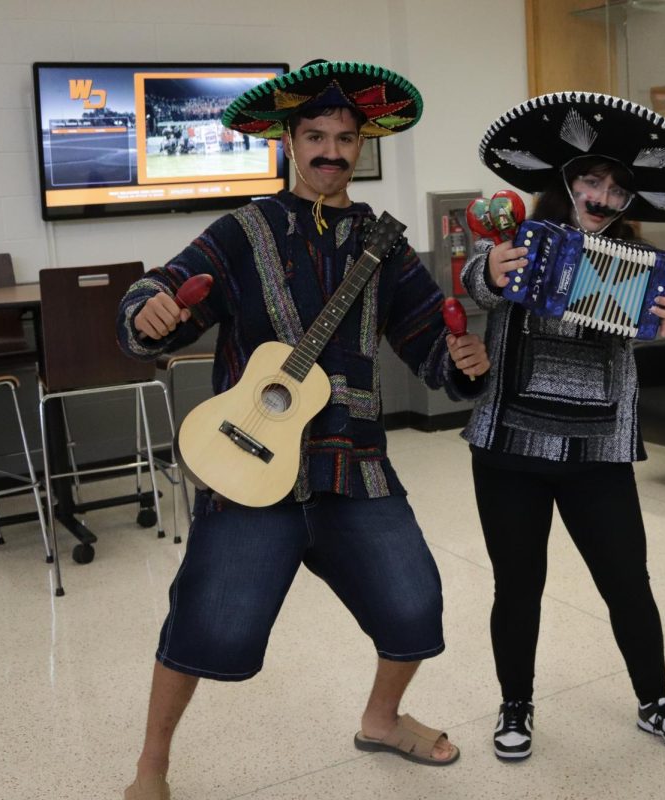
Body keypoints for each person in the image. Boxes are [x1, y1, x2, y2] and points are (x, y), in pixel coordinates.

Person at [115, 59, 489, 800]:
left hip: (355, 467)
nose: (330, 151)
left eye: (345, 138)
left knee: (415, 607)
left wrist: (464, 362)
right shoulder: (241, 231)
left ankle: (381, 720)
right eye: (315, 135)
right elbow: (162, 291)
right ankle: (150, 767)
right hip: (250, 472)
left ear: (362, 147)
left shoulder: (384, 248)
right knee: (204, 625)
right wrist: (148, 308)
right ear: (289, 140)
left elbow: (427, 344)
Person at [461, 91, 665, 760]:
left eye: (617, 188)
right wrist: (486, 270)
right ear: (566, 182)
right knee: (517, 586)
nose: (601, 196)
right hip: (509, 445)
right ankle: (515, 705)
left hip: (598, 448)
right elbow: (474, 285)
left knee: (627, 580)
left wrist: (664, 310)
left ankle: (655, 700)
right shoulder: (515, 241)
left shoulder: (643, 267)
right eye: (591, 180)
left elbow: (647, 325)